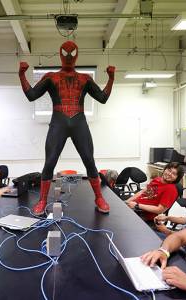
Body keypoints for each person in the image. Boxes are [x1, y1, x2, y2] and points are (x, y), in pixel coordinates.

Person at [19, 40, 115, 215]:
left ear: (77, 55)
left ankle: (99, 197)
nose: (69, 57)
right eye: (65, 53)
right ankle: (42, 201)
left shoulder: (85, 78)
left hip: (78, 122)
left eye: (72, 53)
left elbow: (102, 98)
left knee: (89, 161)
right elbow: (32, 95)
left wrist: (111, 79)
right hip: (59, 122)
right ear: (59, 54)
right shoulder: (50, 77)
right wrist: (21, 75)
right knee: (49, 163)